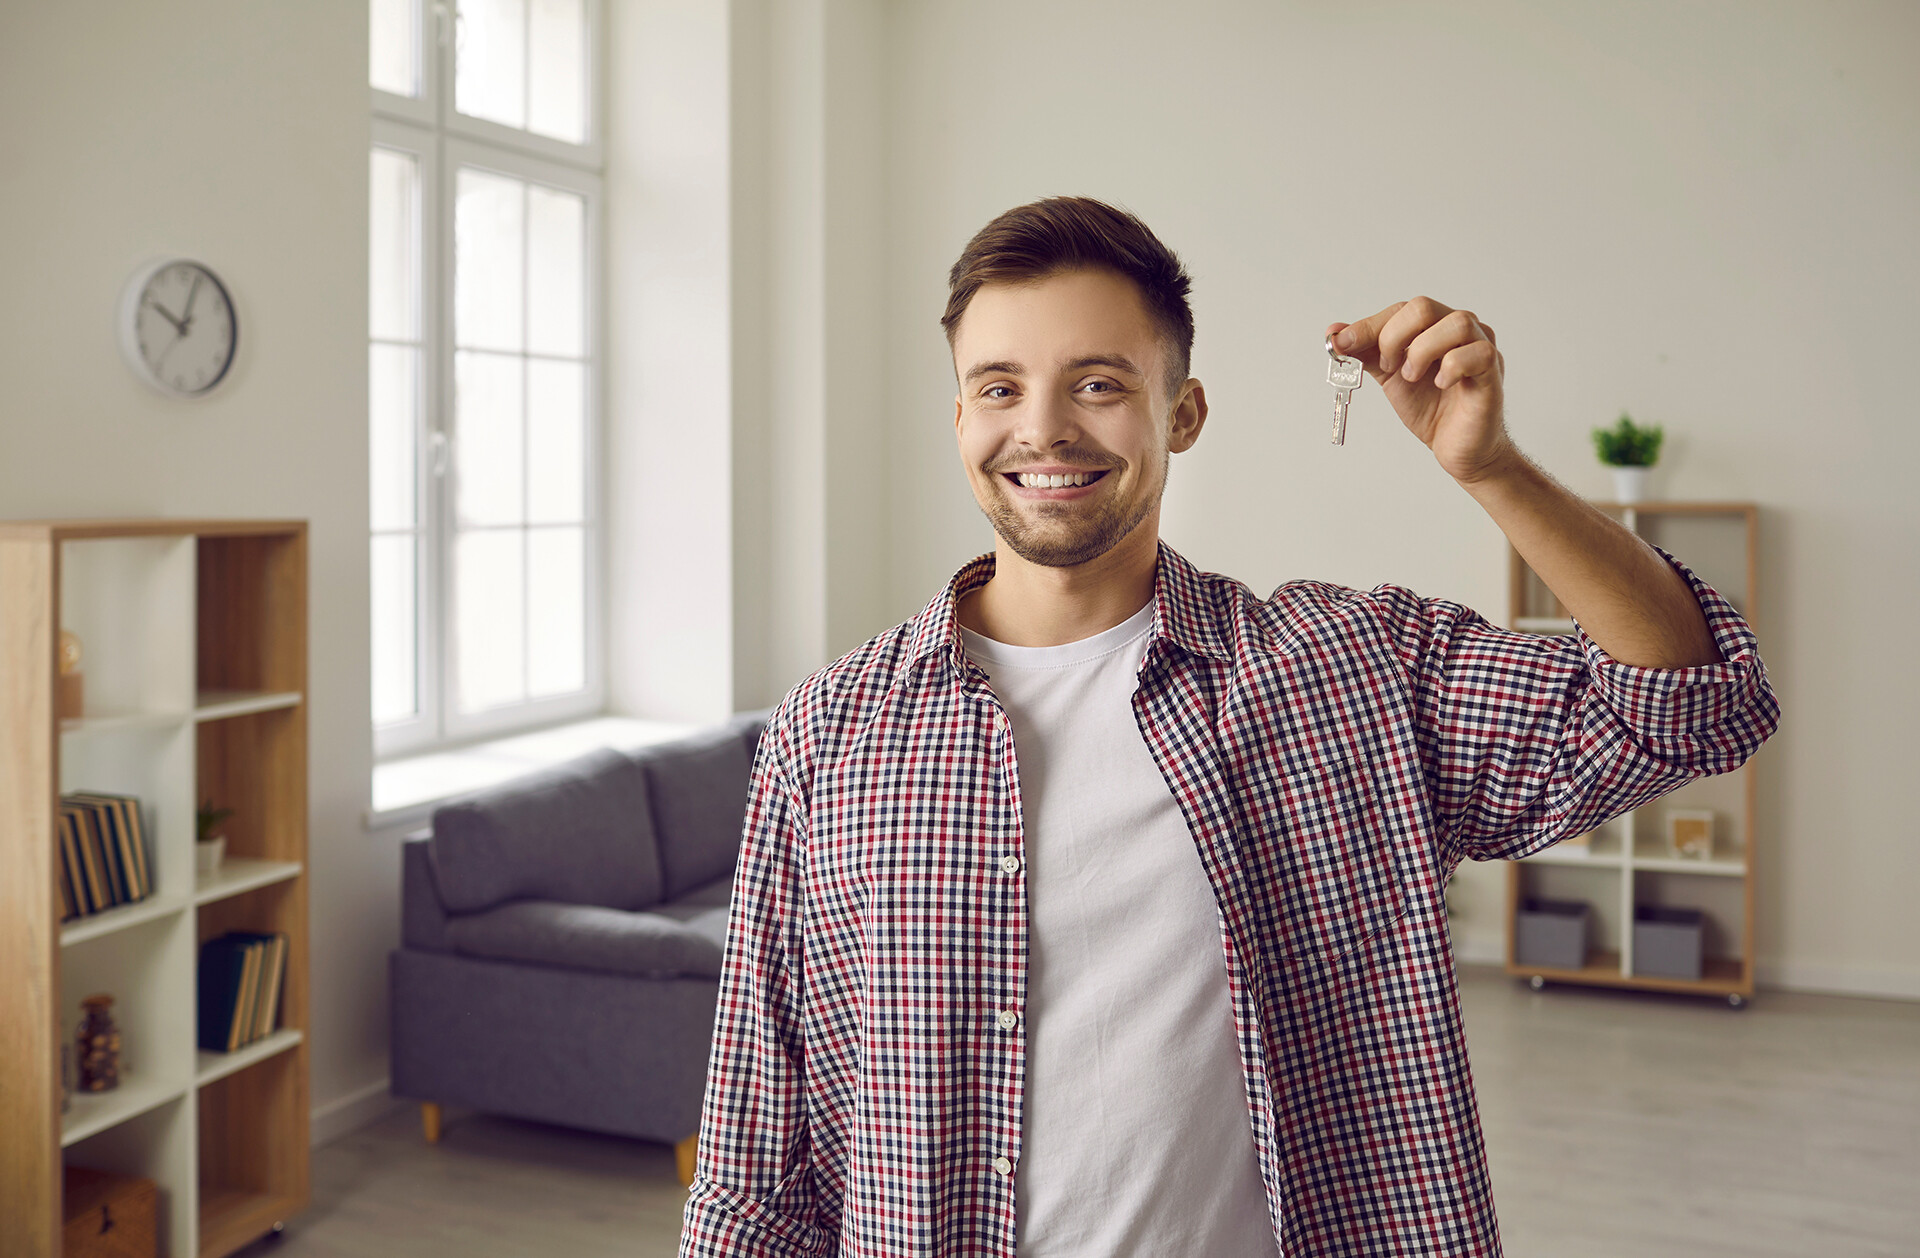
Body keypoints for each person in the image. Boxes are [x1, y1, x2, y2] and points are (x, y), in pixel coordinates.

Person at [679, 196, 1778, 1257]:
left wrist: (1490, 468)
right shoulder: (832, 728)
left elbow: (1689, 707)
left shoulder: (1345, 674)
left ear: (1183, 413)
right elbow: (757, 1153)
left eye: (1099, 383)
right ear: (961, 418)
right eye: (1000, 386)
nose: (1044, 427)